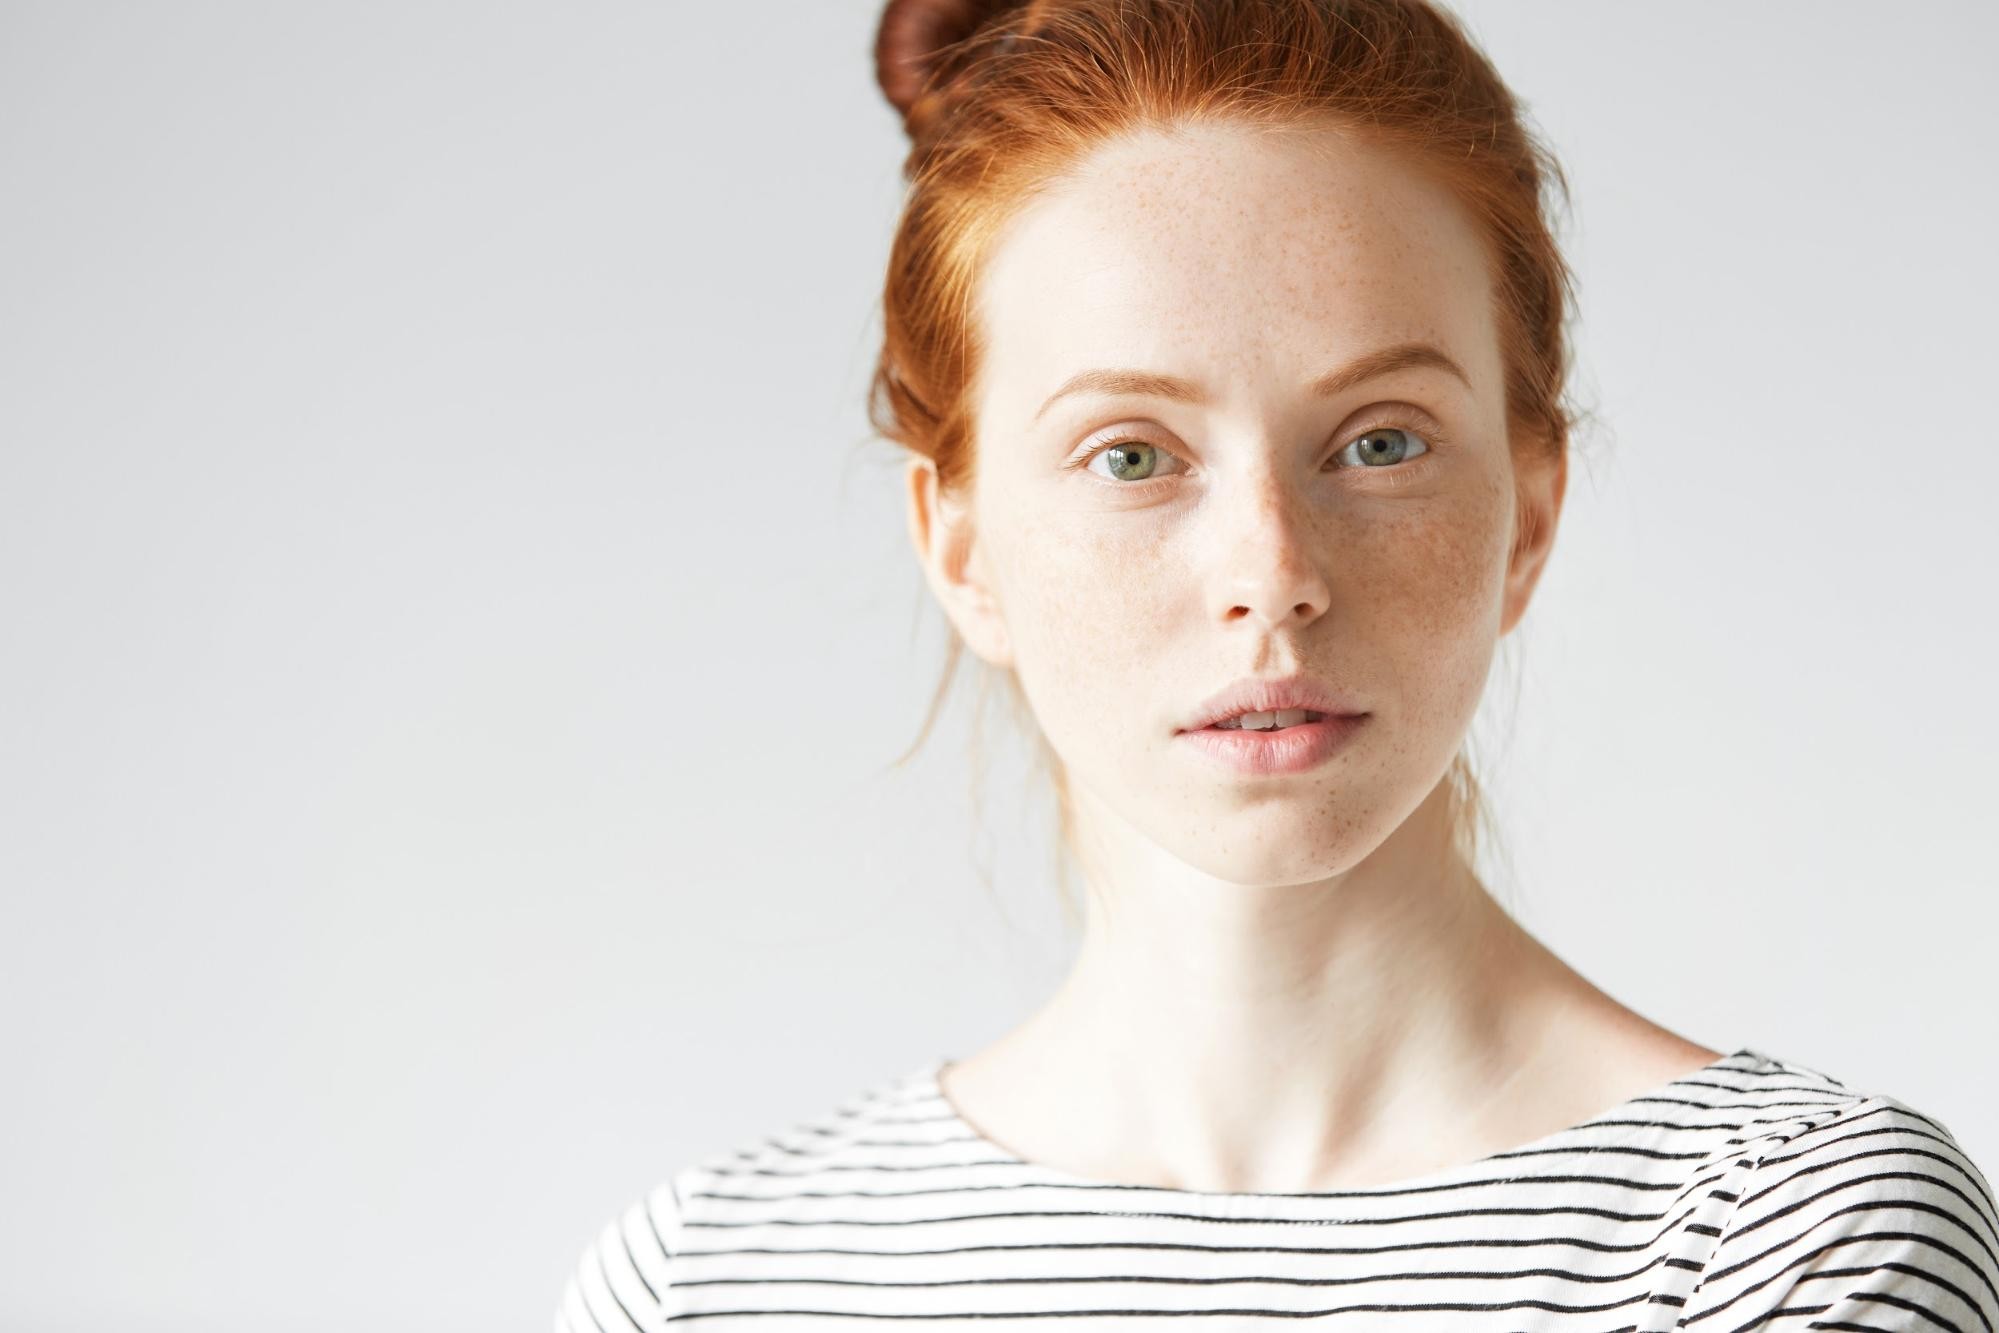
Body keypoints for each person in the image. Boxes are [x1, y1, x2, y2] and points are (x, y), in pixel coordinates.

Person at [556, 1, 1999, 1327]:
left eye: (1379, 440)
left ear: (1530, 512)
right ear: (962, 546)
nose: (1271, 576)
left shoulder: (1784, 1239)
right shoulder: (703, 1280)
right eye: (1133, 456)